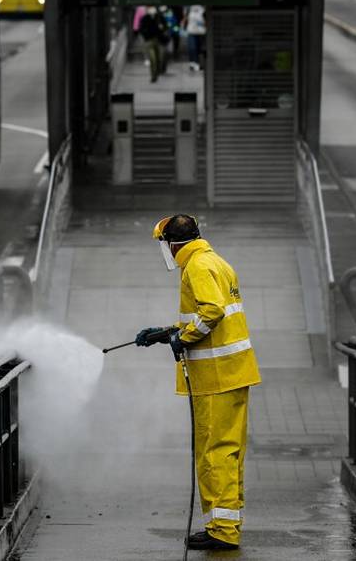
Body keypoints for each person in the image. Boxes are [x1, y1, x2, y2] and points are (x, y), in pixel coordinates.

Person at [135, 214, 261, 551]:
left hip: (215, 378)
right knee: (230, 452)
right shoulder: (216, 262)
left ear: (172, 243)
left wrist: (185, 338)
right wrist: (167, 333)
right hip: (234, 373)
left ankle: (221, 530)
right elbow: (207, 314)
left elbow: (211, 313)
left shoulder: (196, 268)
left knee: (213, 452)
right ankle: (227, 525)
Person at [137, 7, 168, 83]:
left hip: (159, 41)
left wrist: (162, 31)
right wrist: (146, 36)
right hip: (150, 41)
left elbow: (165, 27)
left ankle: (158, 70)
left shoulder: (159, 17)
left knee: (159, 58)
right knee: (152, 58)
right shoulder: (145, 18)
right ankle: (153, 75)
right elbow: (141, 29)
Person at [183, 5, 207, 72]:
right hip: (191, 32)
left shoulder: (204, 7)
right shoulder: (189, 7)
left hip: (202, 32)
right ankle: (193, 64)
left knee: (201, 49)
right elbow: (185, 18)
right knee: (192, 48)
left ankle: (200, 64)